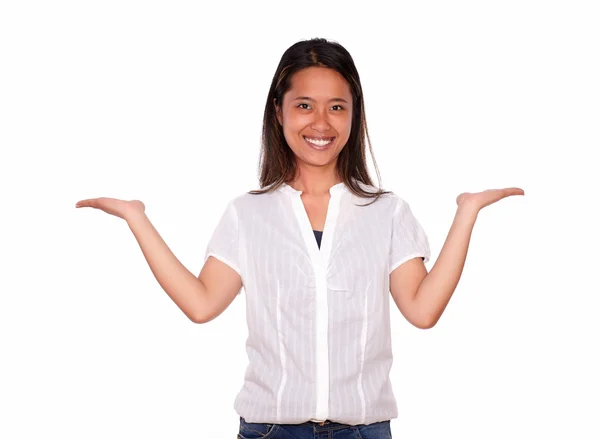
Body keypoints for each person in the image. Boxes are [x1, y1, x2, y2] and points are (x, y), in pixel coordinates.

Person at [75, 37, 524, 439]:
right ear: (280, 111)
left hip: (365, 430)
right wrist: (137, 219)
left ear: (354, 113)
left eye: (337, 106)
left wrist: (467, 213)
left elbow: (423, 311)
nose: (321, 123)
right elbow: (202, 303)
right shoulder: (248, 214)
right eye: (305, 105)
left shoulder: (386, 212)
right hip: (271, 430)